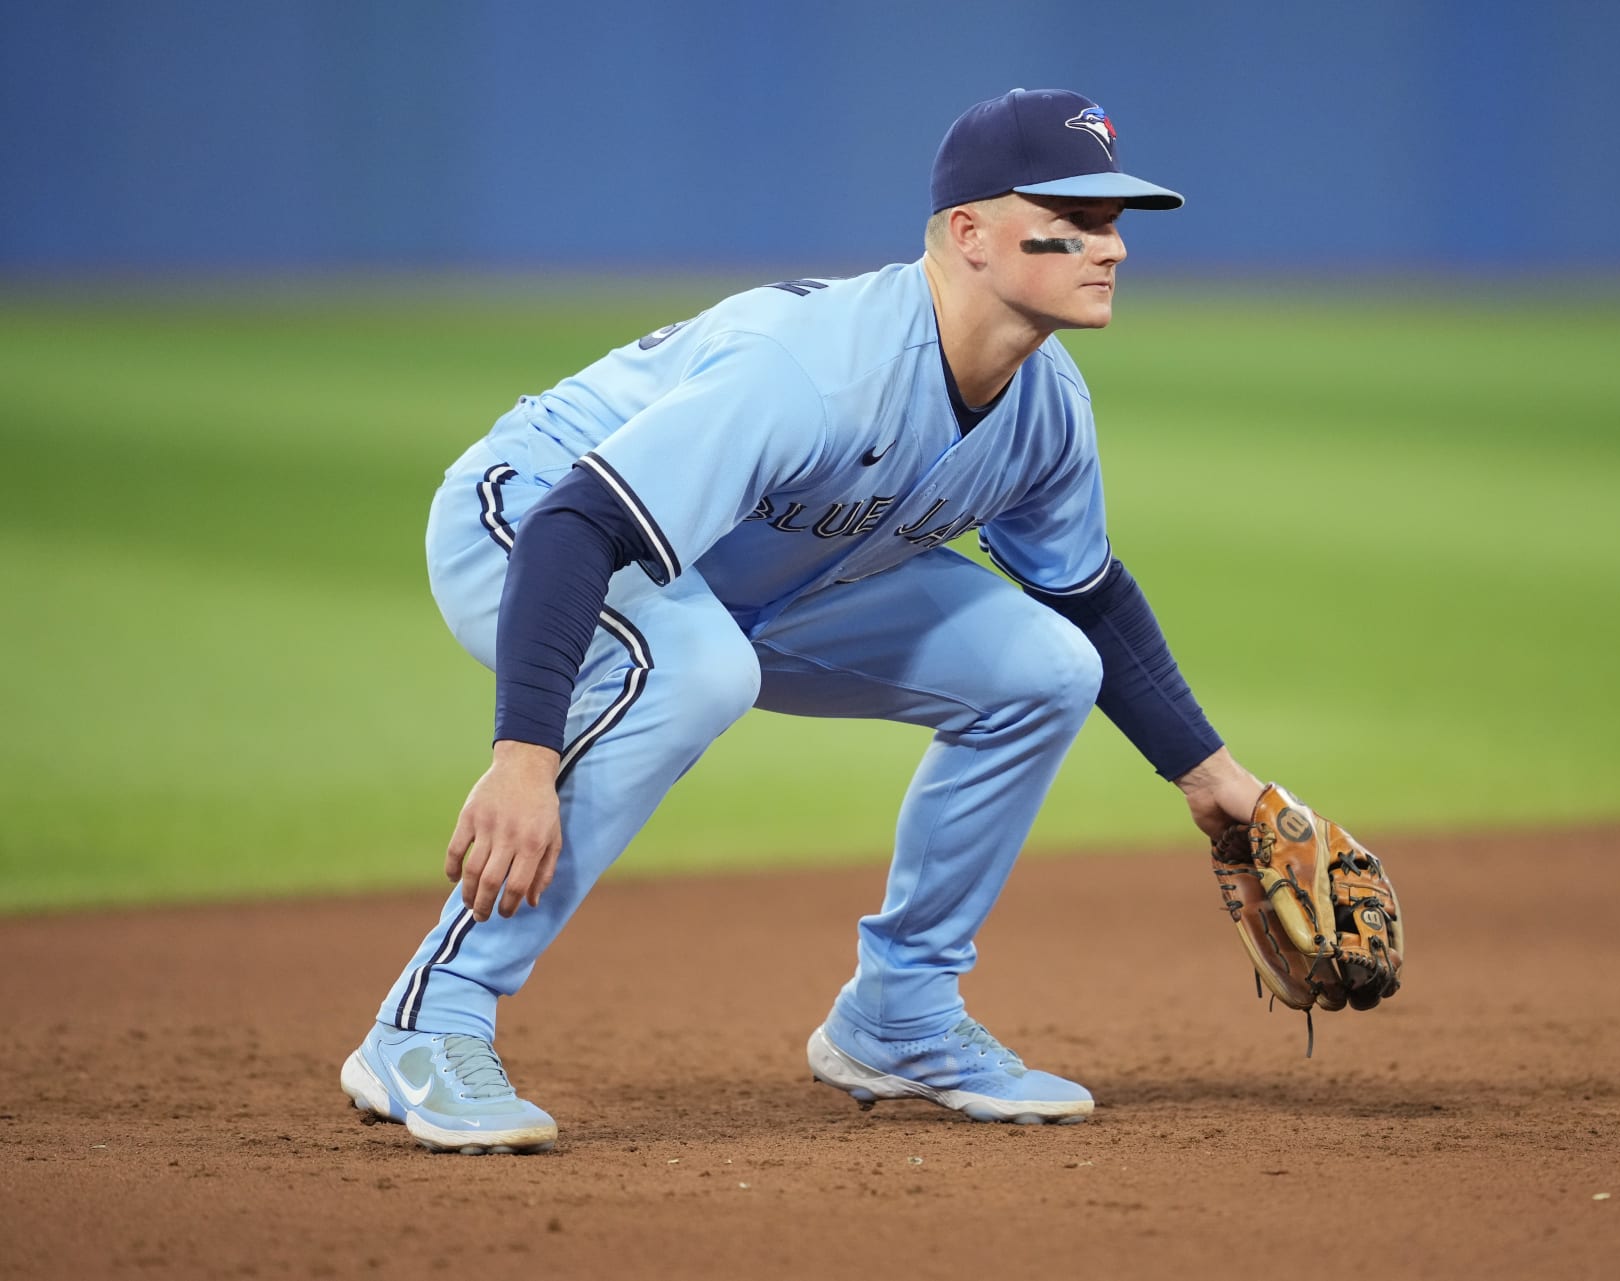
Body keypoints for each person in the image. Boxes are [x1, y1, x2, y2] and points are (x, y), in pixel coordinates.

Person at [339, 88, 1264, 1153]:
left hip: (756, 577)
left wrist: (1224, 789)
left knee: (1049, 668)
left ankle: (900, 1017)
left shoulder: (1046, 408)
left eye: (1116, 224)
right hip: (529, 520)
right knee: (697, 669)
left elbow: (1086, 596)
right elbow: (575, 530)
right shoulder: (818, 367)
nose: (1113, 249)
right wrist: (524, 753)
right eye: (1078, 220)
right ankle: (428, 1021)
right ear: (968, 233)